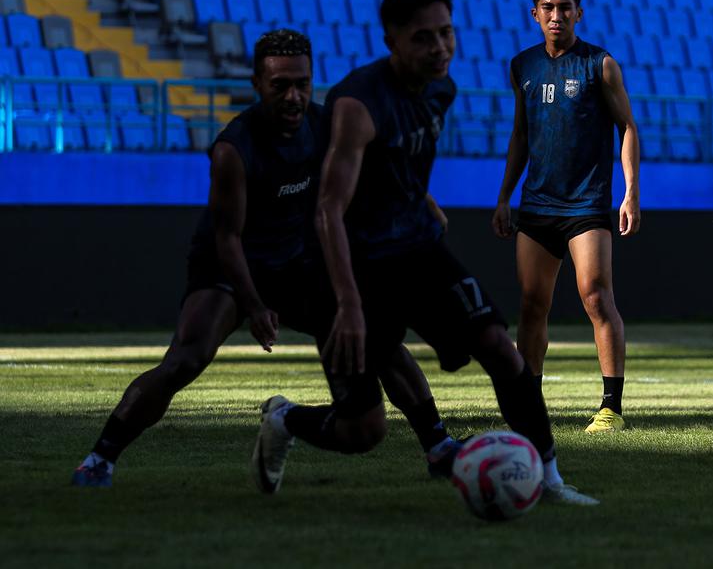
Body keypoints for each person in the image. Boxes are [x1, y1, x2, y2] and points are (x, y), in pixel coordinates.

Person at [253, 0, 597, 504]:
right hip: (356, 267)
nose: (439, 48)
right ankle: (284, 418)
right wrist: (347, 304)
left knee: (498, 347)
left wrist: (421, 198)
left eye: (446, 33)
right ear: (391, 40)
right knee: (362, 430)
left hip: (417, 249)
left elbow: (397, 164)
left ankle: (548, 479)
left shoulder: (441, 88)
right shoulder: (357, 105)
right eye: (423, 38)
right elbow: (327, 209)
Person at [71, 30, 457, 488]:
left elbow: (377, 175)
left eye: (302, 84)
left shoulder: (327, 125)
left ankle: (436, 446)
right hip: (230, 265)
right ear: (257, 83)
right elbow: (228, 238)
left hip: (299, 264)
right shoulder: (234, 149)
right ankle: (99, 459)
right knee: (186, 359)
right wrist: (254, 305)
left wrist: (422, 202)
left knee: (372, 363)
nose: (293, 96)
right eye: (280, 86)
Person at [492, 0, 641, 434]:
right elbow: (520, 134)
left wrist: (631, 192)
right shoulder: (522, 66)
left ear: (579, 12)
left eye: (564, 8)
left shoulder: (601, 64)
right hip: (536, 205)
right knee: (532, 304)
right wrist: (504, 196)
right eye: (548, 8)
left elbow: (627, 127)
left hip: (586, 205)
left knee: (596, 296)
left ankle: (611, 408)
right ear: (534, 14)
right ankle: (528, 405)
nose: (556, 16)